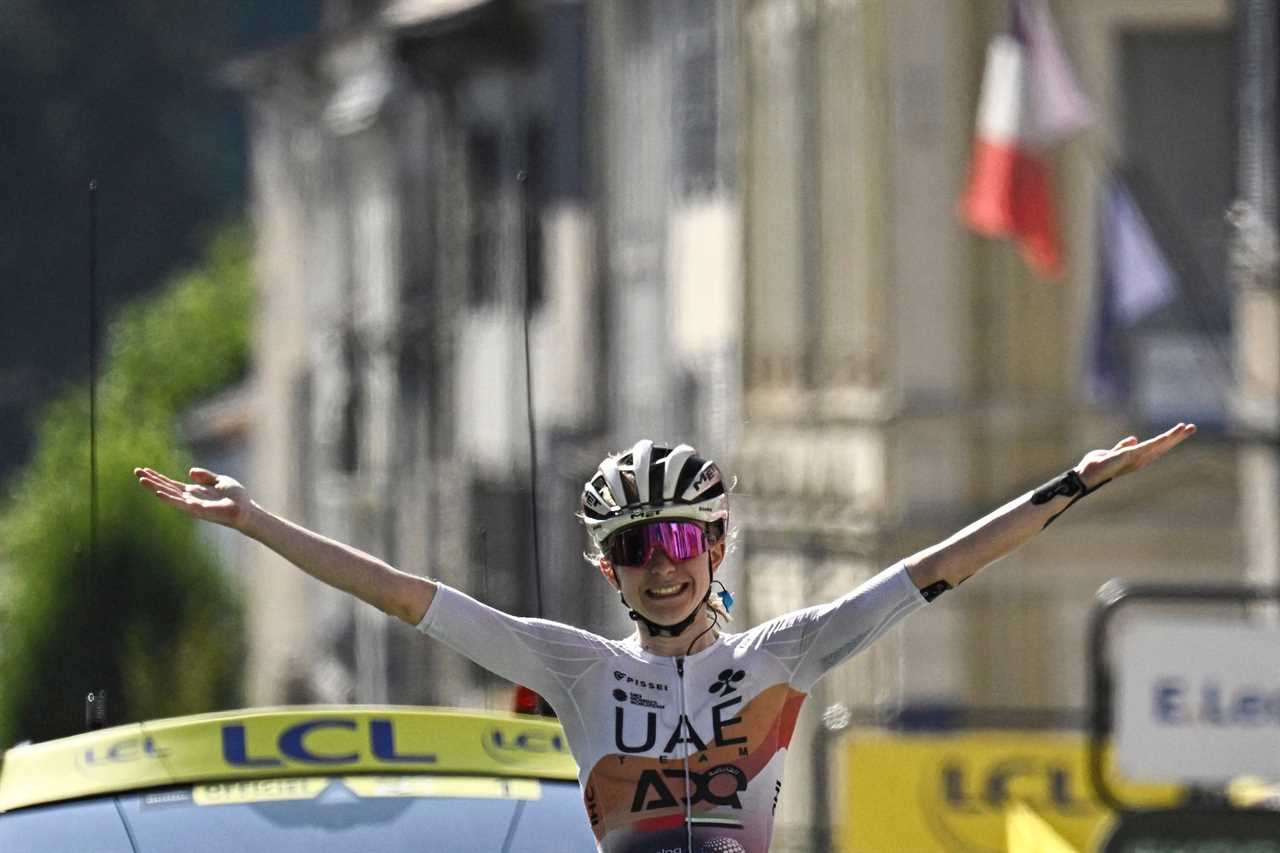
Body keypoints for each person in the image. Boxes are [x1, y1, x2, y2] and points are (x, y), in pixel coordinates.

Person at [134, 422, 1196, 853]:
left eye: (682, 534)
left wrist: (1073, 483)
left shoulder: (782, 655)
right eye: (636, 543)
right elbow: (406, 595)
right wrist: (257, 522)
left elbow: (934, 568)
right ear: (609, 566)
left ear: (718, 543)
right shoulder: (573, 666)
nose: (663, 559)